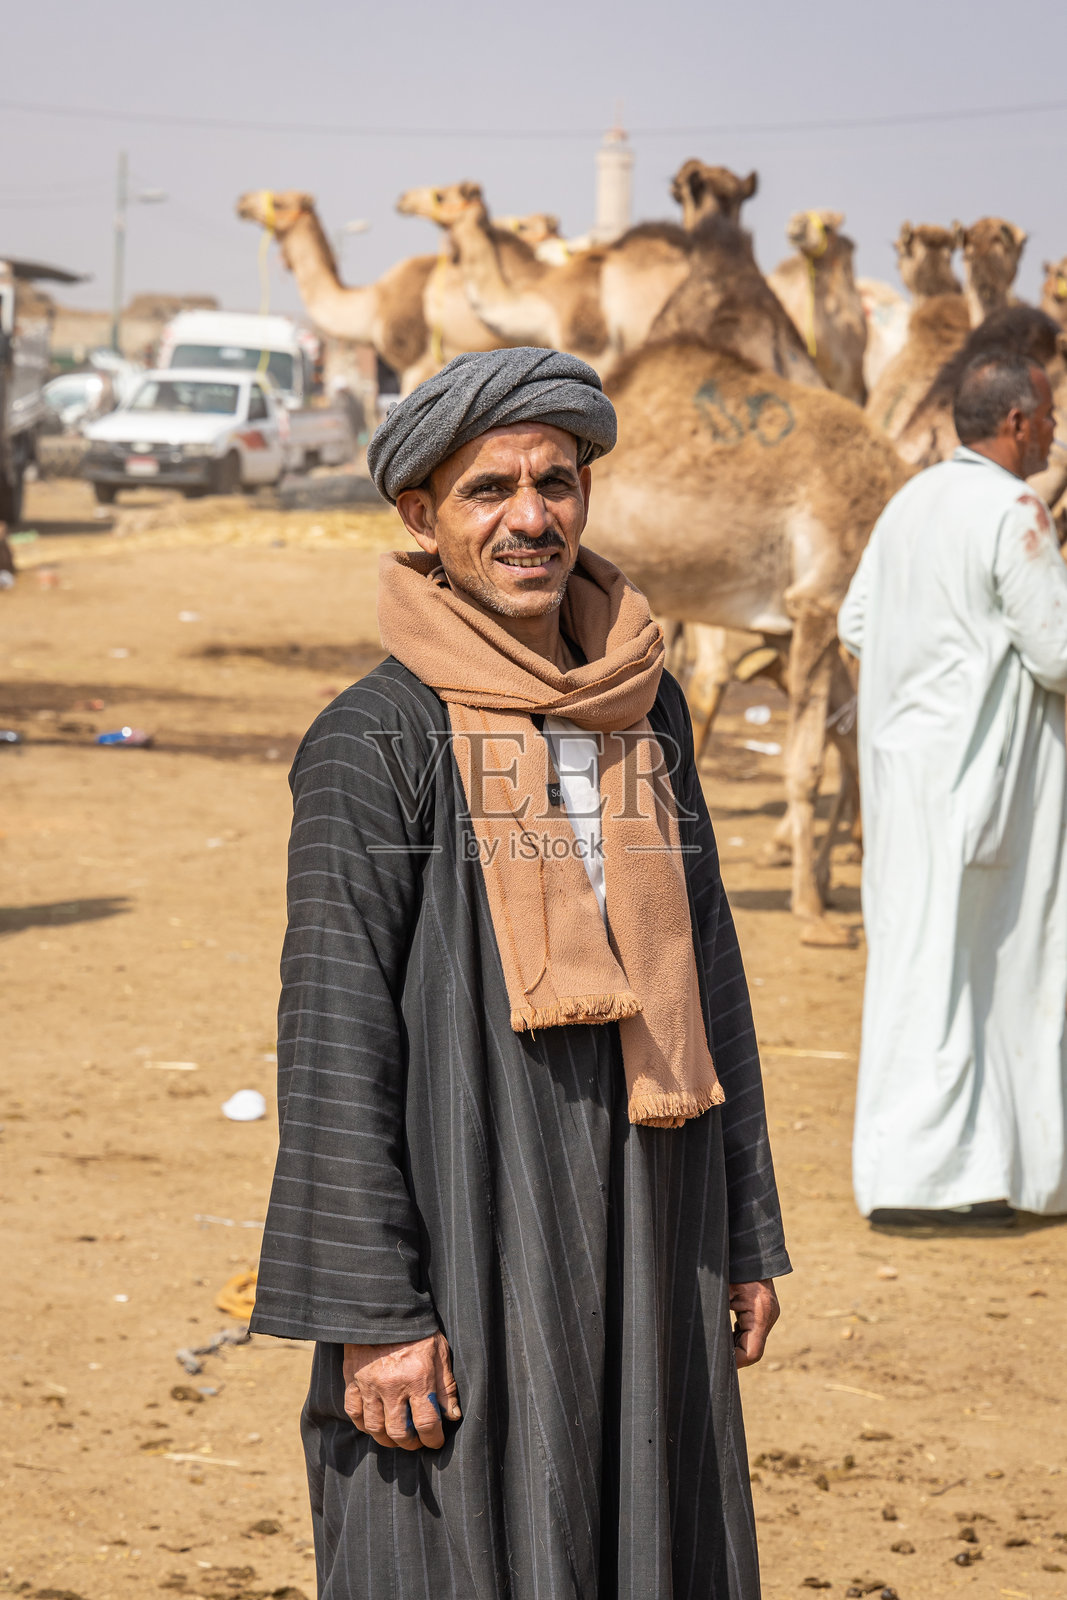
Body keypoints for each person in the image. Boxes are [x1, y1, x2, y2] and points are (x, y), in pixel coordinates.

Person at [251, 347, 790, 1598]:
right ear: (421, 518)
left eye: (555, 480)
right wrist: (375, 1312)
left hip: (656, 1217)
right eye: (488, 489)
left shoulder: (643, 711)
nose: (529, 517)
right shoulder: (374, 739)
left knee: (643, 1531)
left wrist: (745, 1226)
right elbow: (333, 1037)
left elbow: (706, 971)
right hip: (466, 1222)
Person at [839, 353, 1067, 1227]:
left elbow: (854, 621)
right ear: (1015, 424)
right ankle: (971, 1179)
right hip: (988, 785)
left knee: (916, 967)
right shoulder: (1014, 509)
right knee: (995, 968)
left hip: (904, 780)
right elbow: (1054, 654)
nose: (1051, 431)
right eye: (1044, 417)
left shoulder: (910, 501)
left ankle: (918, 1175)